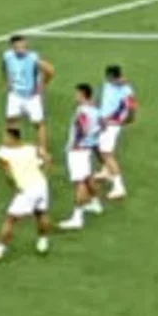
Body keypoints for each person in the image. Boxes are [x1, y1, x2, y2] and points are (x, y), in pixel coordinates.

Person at [0, 124, 52, 261]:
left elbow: (8, 174)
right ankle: (43, 241)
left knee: (11, 220)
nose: (3, 139)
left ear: (11, 137)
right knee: (41, 213)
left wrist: (15, 186)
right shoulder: (31, 148)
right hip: (41, 184)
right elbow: (47, 159)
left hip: (26, 189)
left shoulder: (3, 153)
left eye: (5, 136)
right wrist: (44, 174)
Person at [60, 83, 106, 230]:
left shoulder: (82, 112)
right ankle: (95, 204)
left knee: (79, 182)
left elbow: (83, 128)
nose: (75, 97)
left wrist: (77, 142)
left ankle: (77, 217)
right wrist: (92, 139)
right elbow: (103, 126)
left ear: (82, 94)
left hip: (77, 150)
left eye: (77, 94)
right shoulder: (96, 110)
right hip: (87, 149)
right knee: (87, 177)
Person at [1, 34, 55, 155]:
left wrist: (43, 84)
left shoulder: (33, 58)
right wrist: (7, 81)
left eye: (24, 46)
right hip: (15, 94)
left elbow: (50, 70)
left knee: (38, 123)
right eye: (19, 47)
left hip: (31, 96)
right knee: (11, 120)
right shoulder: (7, 56)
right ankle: (11, 146)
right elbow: (5, 68)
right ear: (13, 47)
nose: (22, 49)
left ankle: (42, 150)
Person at [96, 64, 136, 199]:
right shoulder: (109, 84)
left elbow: (131, 106)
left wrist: (129, 119)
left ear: (111, 76)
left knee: (106, 153)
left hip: (111, 124)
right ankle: (106, 170)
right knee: (99, 148)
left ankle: (119, 187)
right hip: (103, 122)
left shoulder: (126, 89)